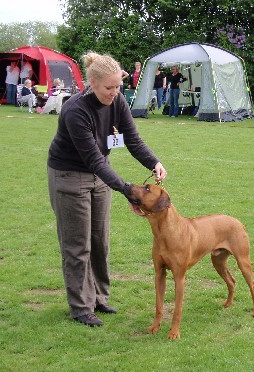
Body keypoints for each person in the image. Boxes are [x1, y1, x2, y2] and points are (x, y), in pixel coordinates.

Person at [47, 51, 167, 327]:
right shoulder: (76, 110)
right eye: (108, 87)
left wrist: (154, 161)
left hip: (99, 175)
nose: (114, 93)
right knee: (77, 245)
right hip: (69, 175)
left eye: (118, 87)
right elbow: (93, 158)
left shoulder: (118, 101)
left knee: (99, 240)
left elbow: (132, 140)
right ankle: (80, 307)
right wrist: (127, 189)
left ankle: (99, 298)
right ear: (92, 82)